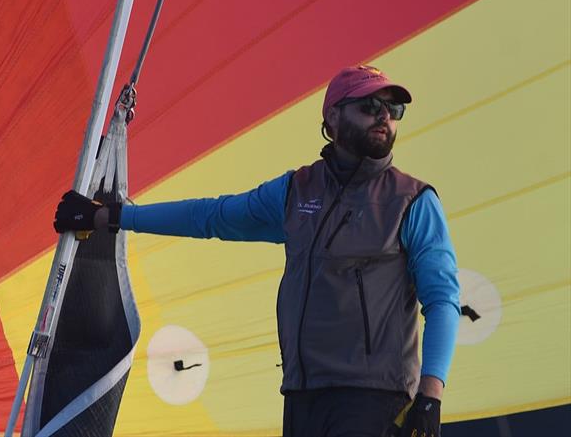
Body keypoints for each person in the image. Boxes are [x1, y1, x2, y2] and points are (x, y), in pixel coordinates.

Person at [54, 65, 461, 437]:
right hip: (302, 396)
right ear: (333, 117)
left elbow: (443, 301)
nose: (384, 117)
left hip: (375, 399)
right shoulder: (296, 191)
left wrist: (430, 394)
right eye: (371, 106)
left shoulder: (413, 201)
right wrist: (110, 216)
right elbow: (210, 216)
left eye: (393, 109)